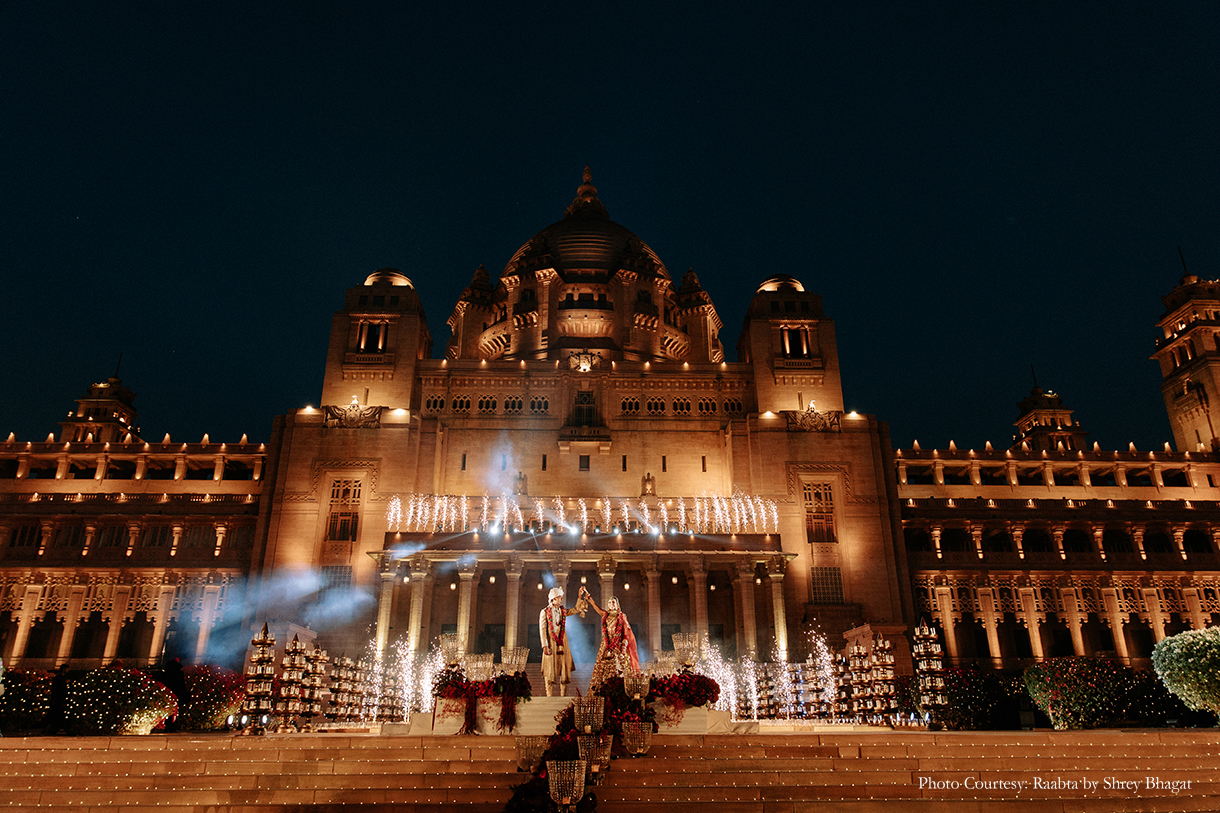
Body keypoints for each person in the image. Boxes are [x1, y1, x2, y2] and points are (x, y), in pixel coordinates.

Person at [579, 586, 640, 695]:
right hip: (605, 646)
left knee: (619, 669)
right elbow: (594, 606)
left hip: (617, 646)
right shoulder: (605, 615)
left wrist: (623, 647)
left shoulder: (621, 616)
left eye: (613, 602)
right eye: (609, 602)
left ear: (617, 605)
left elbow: (626, 634)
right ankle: (601, 692)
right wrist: (587, 594)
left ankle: (620, 693)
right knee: (602, 670)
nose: (611, 604)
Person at [539, 586, 584, 697]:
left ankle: (563, 695)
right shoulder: (544, 612)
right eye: (559, 598)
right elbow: (542, 629)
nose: (561, 600)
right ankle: (549, 695)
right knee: (550, 666)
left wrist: (579, 595)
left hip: (563, 641)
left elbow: (576, 609)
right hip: (550, 641)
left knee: (564, 666)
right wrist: (544, 645)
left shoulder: (562, 610)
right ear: (553, 599)